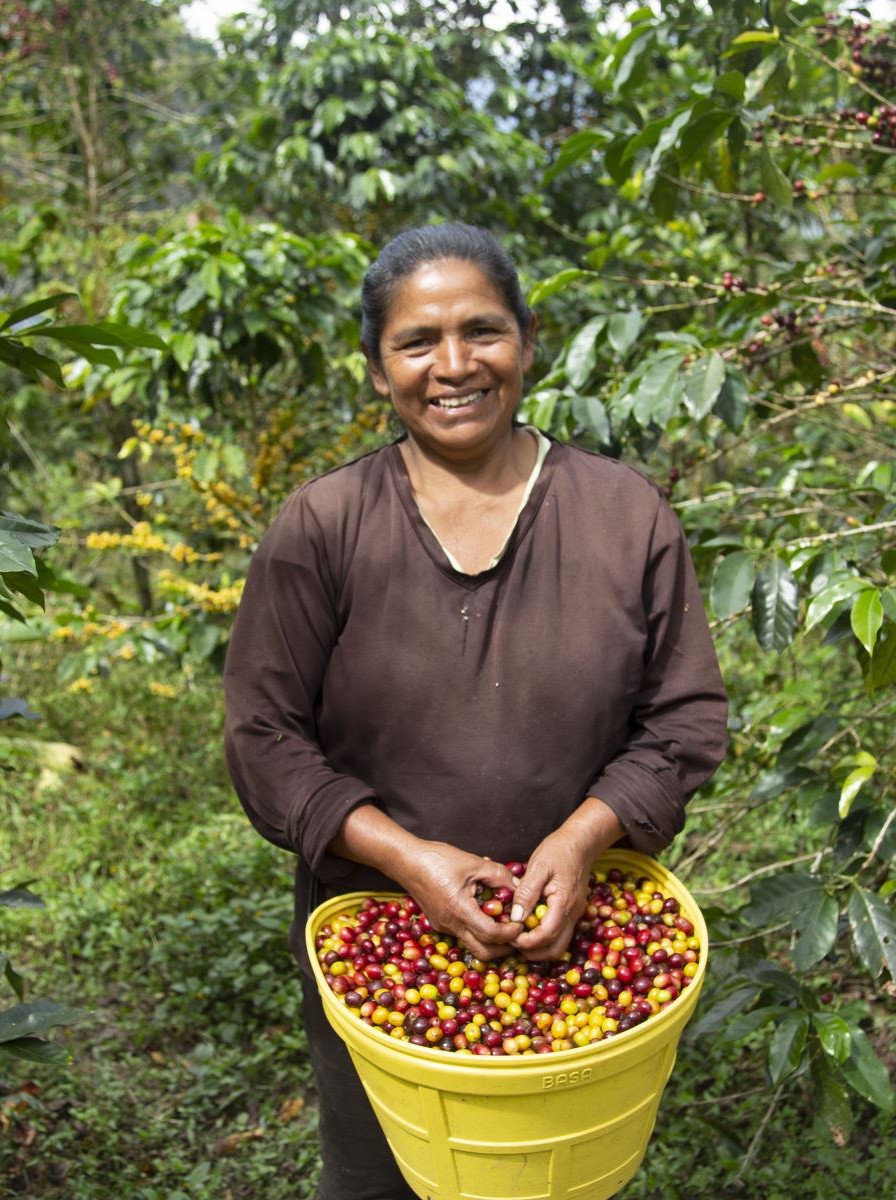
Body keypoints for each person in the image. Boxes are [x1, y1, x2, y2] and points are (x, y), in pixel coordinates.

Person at [222, 223, 728, 1199]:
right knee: (381, 1174)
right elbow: (263, 739)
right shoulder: (323, 527)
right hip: (381, 934)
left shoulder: (626, 517)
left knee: (551, 1179)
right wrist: (410, 862)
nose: (454, 366)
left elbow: (684, 718)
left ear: (529, 341)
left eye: (483, 332)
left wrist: (581, 844)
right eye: (417, 343)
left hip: (567, 938)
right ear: (377, 369)